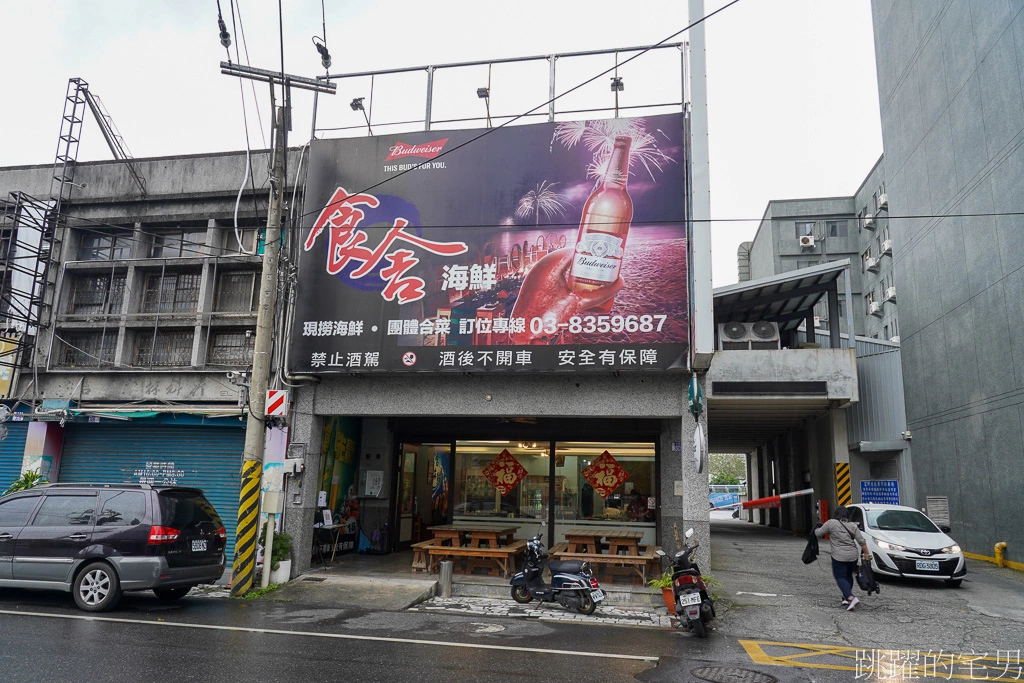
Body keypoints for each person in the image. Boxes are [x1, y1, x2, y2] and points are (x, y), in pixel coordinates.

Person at [814, 506, 871, 611]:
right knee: (848, 575)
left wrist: (816, 528)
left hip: (839, 556)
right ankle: (845, 598)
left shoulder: (831, 523)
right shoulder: (852, 526)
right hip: (853, 556)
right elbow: (862, 542)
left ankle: (851, 597)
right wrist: (867, 555)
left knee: (840, 577)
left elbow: (818, 533)